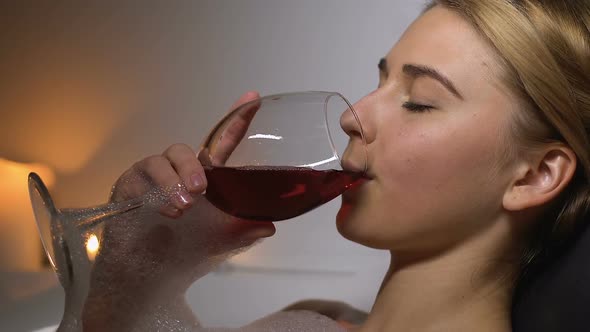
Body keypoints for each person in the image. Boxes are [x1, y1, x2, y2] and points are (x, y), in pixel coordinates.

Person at [101, 0, 590, 331]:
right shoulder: (310, 320)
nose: (352, 115)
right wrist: (141, 267)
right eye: (379, 82)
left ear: (535, 175)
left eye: (420, 101)